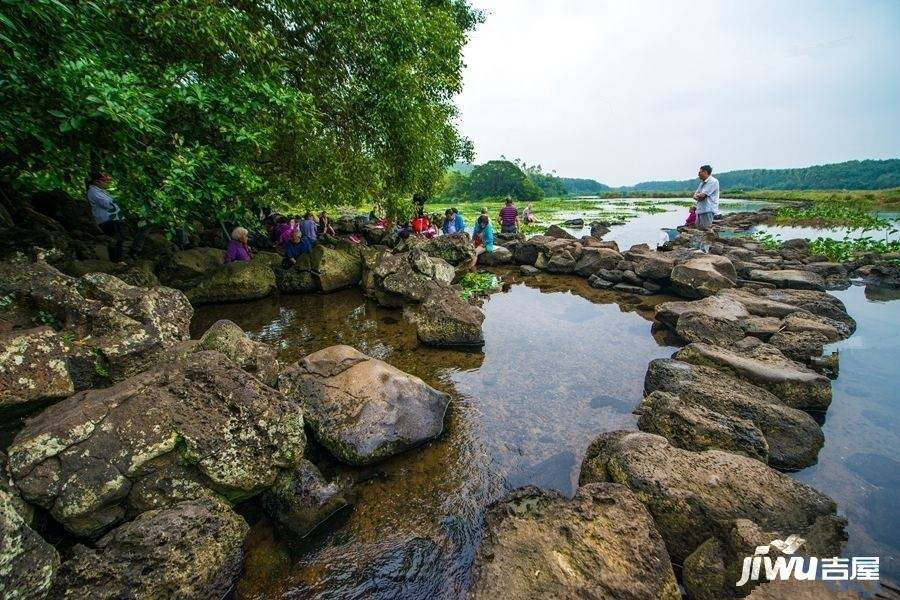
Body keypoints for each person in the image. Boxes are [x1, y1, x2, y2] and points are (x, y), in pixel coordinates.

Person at [86, 172, 125, 262]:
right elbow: (106, 204)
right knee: (113, 239)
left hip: (114, 218)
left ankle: (118, 260)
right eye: (104, 181)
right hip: (106, 219)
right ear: (97, 182)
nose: (106, 183)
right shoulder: (93, 191)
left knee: (120, 238)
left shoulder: (102, 191)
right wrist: (115, 201)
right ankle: (115, 261)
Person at [692, 165, 719, 230]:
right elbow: (695, 195)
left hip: (708, 210)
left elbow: (702, 196)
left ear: (705, 172)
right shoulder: (702, 183)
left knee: (706, 231)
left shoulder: (713, 181)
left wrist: (699, 196)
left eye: (700, 172)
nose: (698, 174)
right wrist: (698, 196)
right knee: (699, 231)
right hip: (700, 210)